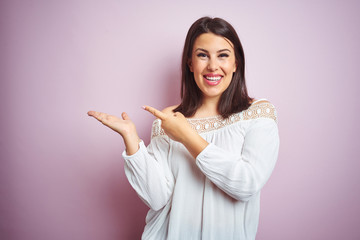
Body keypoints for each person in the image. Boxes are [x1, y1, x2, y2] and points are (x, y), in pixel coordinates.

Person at [88, 17, 279, 240]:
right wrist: (131, 139)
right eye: (202, 55)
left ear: (236, 63)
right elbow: (157, 198)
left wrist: (187, 136)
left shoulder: (257, 114)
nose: (213, 66)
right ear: (190, 63)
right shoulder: (167, 119)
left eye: (223, 55)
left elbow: (246, 184)